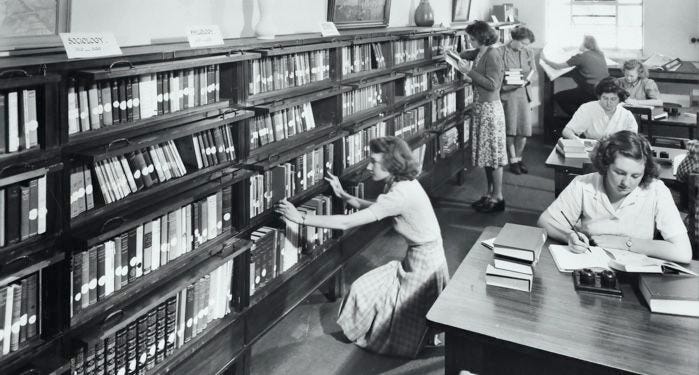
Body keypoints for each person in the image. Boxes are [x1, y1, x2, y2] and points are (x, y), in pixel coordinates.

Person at [275, 136, 449, 358]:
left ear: (391, 164)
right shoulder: (401, 183)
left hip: (424, 265)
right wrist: (346, 196)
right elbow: (380, 207)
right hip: (422, 256)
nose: (368, 166)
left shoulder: (400, 193)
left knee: (402, 325)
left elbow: (348, 222)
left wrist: (301, 218)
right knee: (377, 299)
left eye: (374, 161)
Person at [538, 130, 692, 264]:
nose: (626, 182)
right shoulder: (584, 184)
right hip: (589, 265)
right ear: (605, 164)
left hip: (637, 275)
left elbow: (683, 253)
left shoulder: (656, 190)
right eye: (619, 172)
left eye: (636, 175)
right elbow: (545, 221)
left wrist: (625, 243)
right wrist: (569, 235)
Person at [455, 20, 507, 212]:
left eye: (472, 37)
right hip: (481, 108)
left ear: (482, 37)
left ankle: (498, 197)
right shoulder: (481, 52)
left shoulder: (493, 54)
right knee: (486, 156)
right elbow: (467, 54)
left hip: (490, 110)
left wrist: (469, 72)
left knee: (493, 157)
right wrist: (452, 54)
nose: (469, 40)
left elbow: (493, 84)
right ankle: (490, 193)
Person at [542, 35, 609, 116]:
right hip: (602, 90)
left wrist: (545, 59)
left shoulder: (581, 57)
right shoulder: (600, 54)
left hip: (590, 91)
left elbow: (557, 66)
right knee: (577, 89)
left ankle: (580, 119)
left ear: (585, 44)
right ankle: (582, 117)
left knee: (558, 97)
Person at [500, 26, 536, 175]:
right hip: (509, 94)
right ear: (514, 39)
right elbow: (498, 75)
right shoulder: (501, 52)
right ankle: (513, 160)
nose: (525, 47)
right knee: (511, 130)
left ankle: (519, 158)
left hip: (524, 93)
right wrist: (509, 84)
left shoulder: (528, 51)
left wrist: (528, 79)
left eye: (527, 44)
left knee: (524, 129)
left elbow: (533, 70)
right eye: (523, 43)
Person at [562, 77, 638, 140]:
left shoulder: (626, 115)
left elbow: (633, 139)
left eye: (613, 99)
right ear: (599, 96)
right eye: (605, 98)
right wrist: (575, 139)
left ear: (619, 99)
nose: (608, 103)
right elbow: (567, 131)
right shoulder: (587, 108)